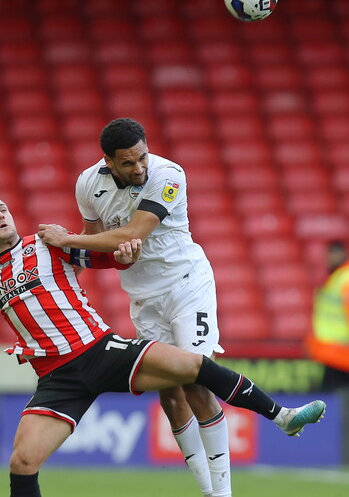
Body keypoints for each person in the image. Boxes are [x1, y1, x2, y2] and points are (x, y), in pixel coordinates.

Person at [0, 195, 326, 497]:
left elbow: (103, 260)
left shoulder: (47, 243)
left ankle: (281, 418)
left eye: (3, 208)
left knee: (194, 365)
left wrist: (124, 253)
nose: (0, 215)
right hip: (57, 380)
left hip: (101, 350)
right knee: (22, 462)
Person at [37, 118, 232, 496]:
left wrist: (66, 238)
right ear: (107, 162)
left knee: (194, 377)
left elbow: (130, 234)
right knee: (170, 391)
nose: (139, 168)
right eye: (128, 163)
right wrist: (67, 267)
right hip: (143, 297)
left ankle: (223, 494)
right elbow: (94, 244)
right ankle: (207, 491)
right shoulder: (88, 184)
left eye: (142, 157)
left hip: (186, 285)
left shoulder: (169, 174)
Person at [306, 240, 349, 390]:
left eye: (332, 253)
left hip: (342, 351)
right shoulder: (336, 278)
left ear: (343, 254)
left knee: (338, 398)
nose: (329, 258)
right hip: (330, 351)